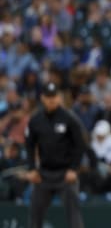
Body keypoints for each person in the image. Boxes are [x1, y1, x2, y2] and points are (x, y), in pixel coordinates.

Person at [25, 83, 86, 228]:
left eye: (54, 96)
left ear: (59, 98)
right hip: (44, 174)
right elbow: (29, 144)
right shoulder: (36, 120)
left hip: (65, 174)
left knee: (74, 217)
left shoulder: (69, 118)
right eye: (48, 96)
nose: (51, 100)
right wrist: (32, 168)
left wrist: (74, 168)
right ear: (42, 98)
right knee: (35, 216)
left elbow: (81, 145)